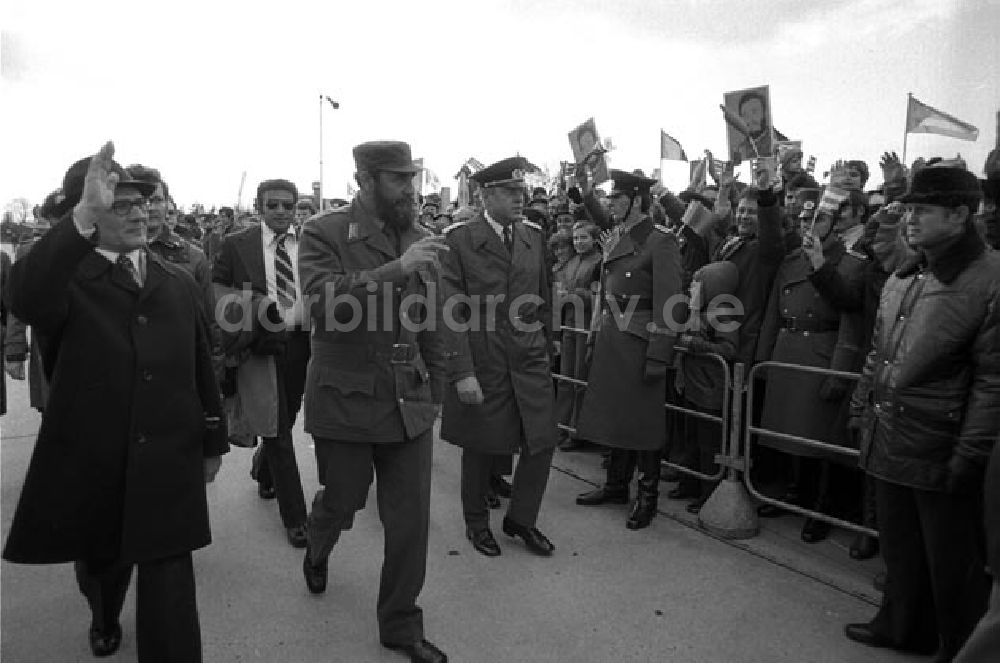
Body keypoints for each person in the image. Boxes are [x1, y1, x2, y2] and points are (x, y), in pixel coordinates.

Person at [2, 143, 227, 661]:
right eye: (120, 205)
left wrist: (212, 440)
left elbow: (199, 365)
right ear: (88, 214)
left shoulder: (175, 282)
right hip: (97, 460)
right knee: (103, 565)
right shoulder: (65, 283)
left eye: (142, 203)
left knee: (171, 590)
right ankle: (104, 614)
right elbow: (24, 297)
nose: (139, 213)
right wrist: (82, 212)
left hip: (169, 458)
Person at [297, 140, 448, 663]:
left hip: (410, 400)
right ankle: (319, 544)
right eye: (398, 179)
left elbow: (434, 318)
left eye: (413, 177)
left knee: (409, 522)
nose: (411, 188)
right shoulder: (324, 231)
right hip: (346, 398)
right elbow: (318, 302)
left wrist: (440, 387)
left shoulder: (422, 238)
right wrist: (394, 269)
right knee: (343, 501)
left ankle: (400, 626)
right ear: (365, 179)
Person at [844, 166, 998, 661]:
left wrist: (970, 451)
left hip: (942, 443)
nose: (909, 219)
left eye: (922, 210)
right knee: (902, 548)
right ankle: (900, 627)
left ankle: (958, 650)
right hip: (890, 432)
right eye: (907, 209)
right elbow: (879, 351)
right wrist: (861, 404)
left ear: (959, 215)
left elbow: (993, 380)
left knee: (952, 564)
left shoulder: (990, 278)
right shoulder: (906, 273)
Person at [439, 156, 559, 558]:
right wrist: (461, 371)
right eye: (510, 192)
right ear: (486, 195)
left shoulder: (533, 236)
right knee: (482, 446)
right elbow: (449, 310)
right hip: (484, 356)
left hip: (529, 356)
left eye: (522, 192)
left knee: (541, 441)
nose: (520, 199)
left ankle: (522, 519)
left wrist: (550, 341)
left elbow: (544, 295)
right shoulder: (458, 240)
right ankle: (476, 524)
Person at [574, 169, 684, 529]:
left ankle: (648, 496)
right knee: (616, 414)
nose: (611, 204)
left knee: (643, 421)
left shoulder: (660, 240)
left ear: (637, 200)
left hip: (640, 340)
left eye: (617, 198)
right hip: (612, 336)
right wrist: (595, 336)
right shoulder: (620, 234)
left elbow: (671, 302)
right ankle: (616, 485)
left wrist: (659, 353)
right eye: (609, 198)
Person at [213, 179, 310, 547]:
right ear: (259, 207)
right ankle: (296, 517)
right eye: (273, 205)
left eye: (288, 205)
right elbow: (216, 287)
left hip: (301, 342)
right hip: (260, 345)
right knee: (278, 428)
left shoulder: (310, 242)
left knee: (287, 414)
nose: (282, 211)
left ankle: (263, 468)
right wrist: (251, 310)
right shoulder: (237, 244)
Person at [555, 221, 601, 451]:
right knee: (566, 377)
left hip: (586, 324)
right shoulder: (571, 262)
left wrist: (571, 294)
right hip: (569, 323)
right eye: (576, 239)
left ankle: (577, 429)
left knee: (580, 378)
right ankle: (561, 425)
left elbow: (598, 296)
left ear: (594, 239)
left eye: (583, 238)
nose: (579, 242)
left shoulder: (598, 262)